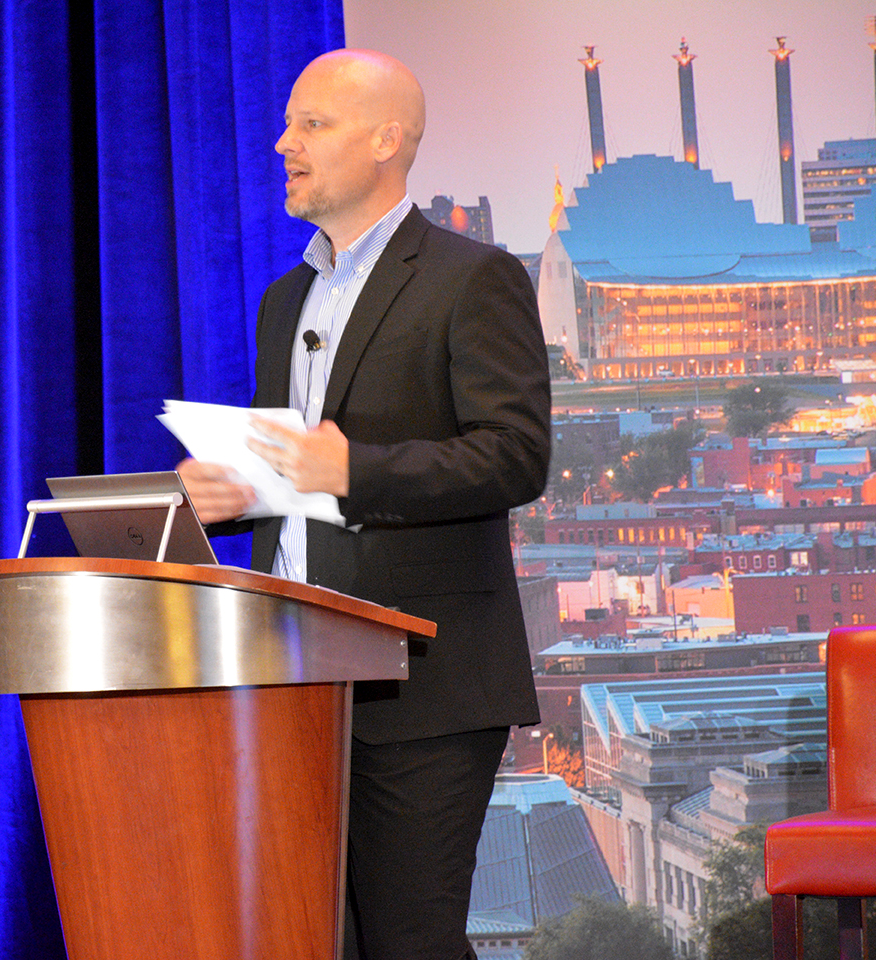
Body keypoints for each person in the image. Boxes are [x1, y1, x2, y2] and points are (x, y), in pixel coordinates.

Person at [178, 49, 551, 960]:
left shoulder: (472, 277)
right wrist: (235, 495)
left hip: (421, 680)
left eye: (312, 125)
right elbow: (292, 475)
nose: (284, 145)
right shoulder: (285, 300)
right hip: (290, 679)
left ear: (387, 141)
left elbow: (514, 456)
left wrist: (355, 470)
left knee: (409, 942)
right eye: (289, 124)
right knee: (313, 939)